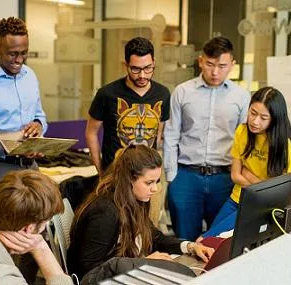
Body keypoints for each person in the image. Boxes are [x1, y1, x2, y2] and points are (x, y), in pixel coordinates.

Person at [67, 145, 215, 279]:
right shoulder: (105, 212)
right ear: (129, 180)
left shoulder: (134, 200)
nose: (155, 189)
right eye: (149, 182)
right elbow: (88, 268)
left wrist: (191, 247)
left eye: (157, 181)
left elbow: (155, 237)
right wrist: (144, 263)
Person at [163, 36, 251, 241]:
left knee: (220, 242)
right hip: (186, 176)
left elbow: (245, 141)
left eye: (222, 66)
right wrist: (171, 177)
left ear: (232, 65)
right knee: (184, 241)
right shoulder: (182, 92)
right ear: (201, 60)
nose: (215, 72)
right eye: (210, 64)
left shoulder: (241, 97)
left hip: (225, 178)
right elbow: (171, 134)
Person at [199, 87, 291, 239]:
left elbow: (279, 194)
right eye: (253, 113)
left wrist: (247, 173)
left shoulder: (283, 145)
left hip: (260, 208)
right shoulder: (242, 131)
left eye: (263, 118)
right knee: (209, 240)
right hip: (236, 199)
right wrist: (262, 185)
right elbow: (235, 175)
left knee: (208, 240)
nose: (255, 121)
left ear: (274, 119)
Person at [0, 17, 47, 198]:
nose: (19, 60)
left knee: (37, 224)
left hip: (30, 168)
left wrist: (38, 125)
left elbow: (41, 115)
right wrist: (8, 147)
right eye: (13, 54)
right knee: (1, 225)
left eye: (24, 53)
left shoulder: (30, 76)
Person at [85, 37, 170, 176]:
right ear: (126, 65)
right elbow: (91, 133)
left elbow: (157, 135)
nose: (142, 75)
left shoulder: (163, 94)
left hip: (146, 176)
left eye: (148, 68)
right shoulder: (107, 94)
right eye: (135, 69)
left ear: (154, 62)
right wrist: (100, 171)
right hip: (114, 176)